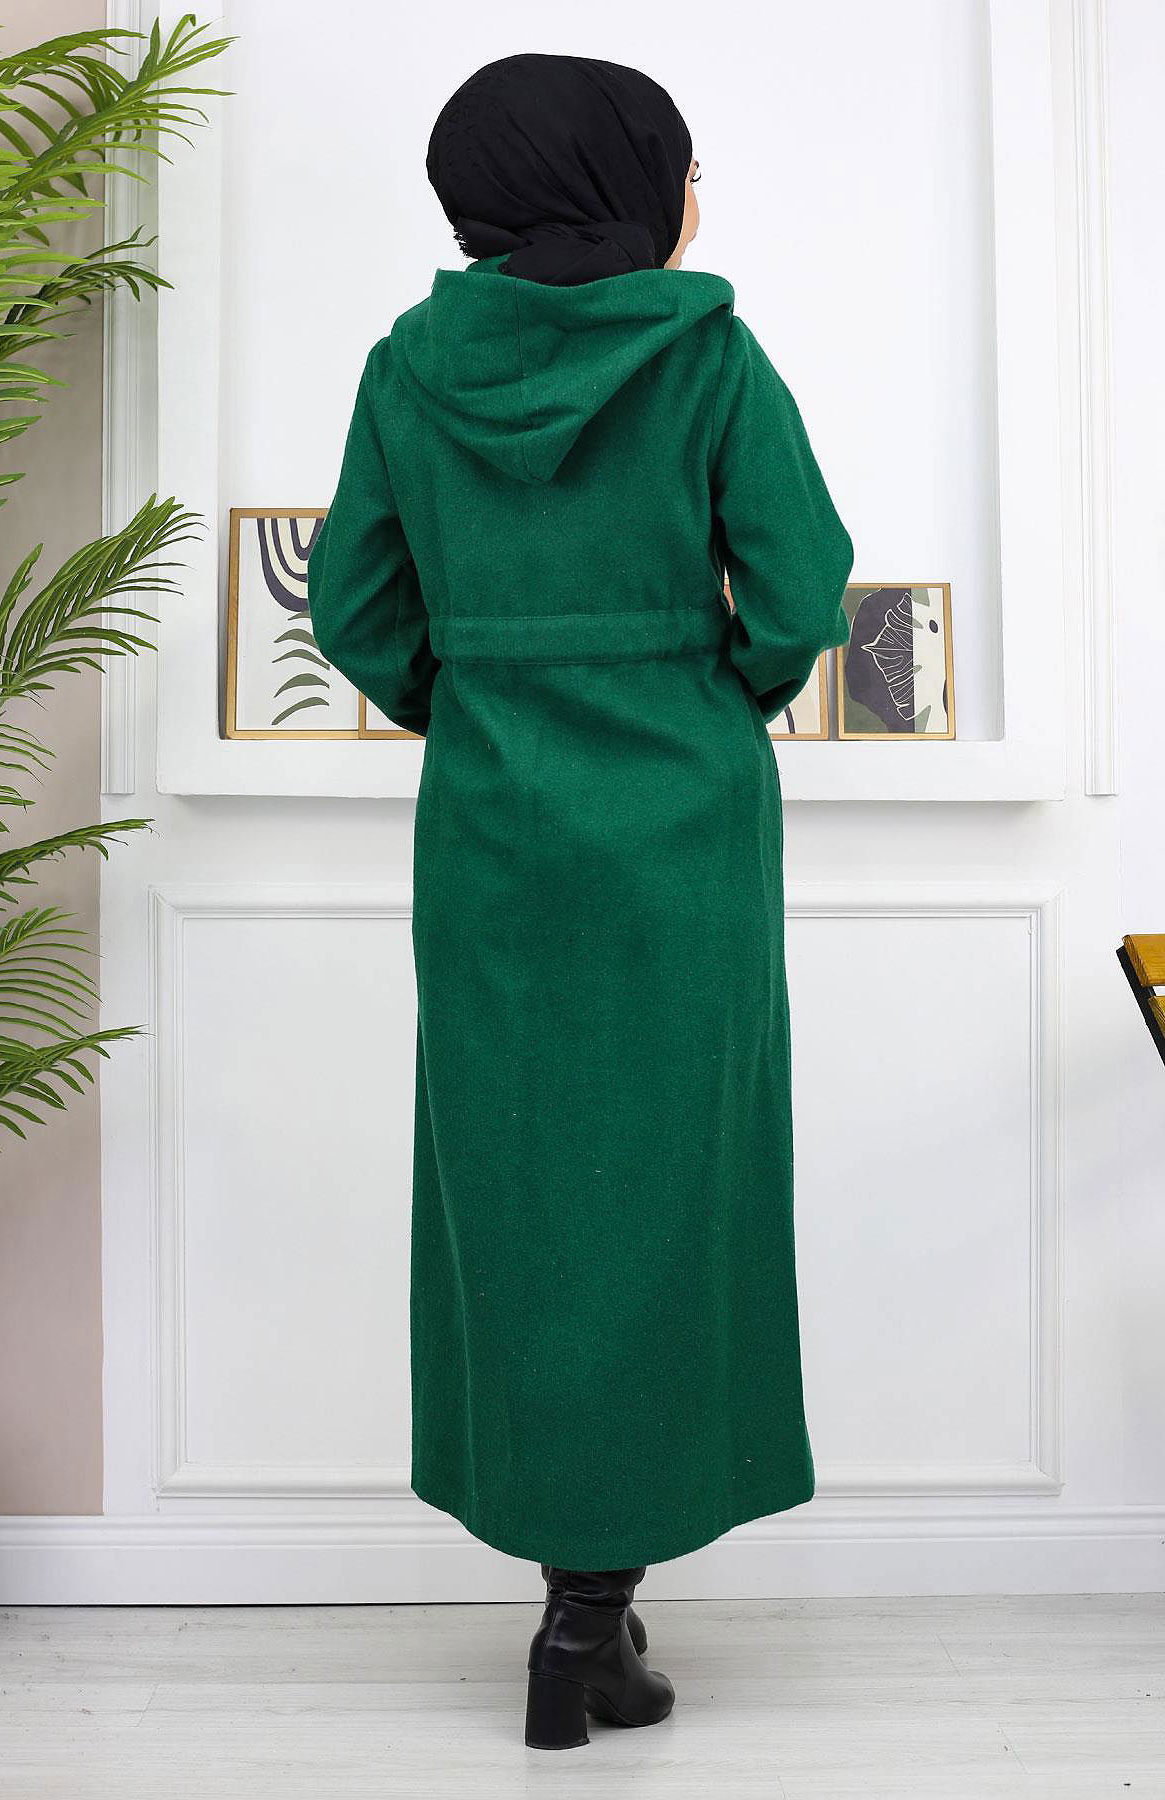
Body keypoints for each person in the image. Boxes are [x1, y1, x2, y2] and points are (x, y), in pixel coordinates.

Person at [307, 51, 855, 1753]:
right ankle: (592, 1622)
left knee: (522, 1191)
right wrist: (701, 699)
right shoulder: (709, 355)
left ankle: (572, 1610)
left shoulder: (407, 368)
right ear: (630, 183)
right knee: (673, 1186)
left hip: (489, 826)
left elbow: (353, 609)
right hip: (685, 825)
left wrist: (480, 700)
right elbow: (803, 590)